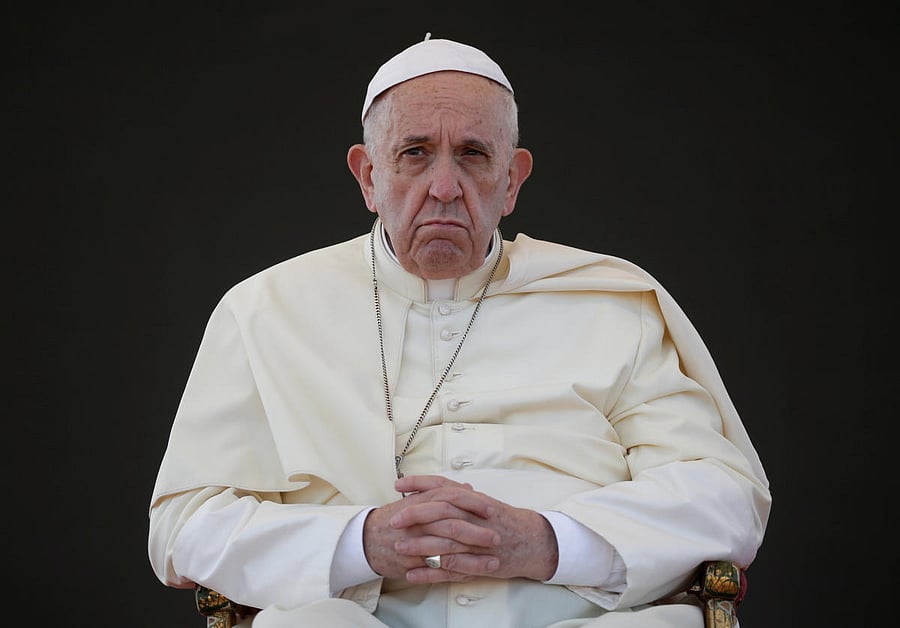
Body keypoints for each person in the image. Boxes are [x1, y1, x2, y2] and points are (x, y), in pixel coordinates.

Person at [148, 34, 771, 628]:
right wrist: (361, 543)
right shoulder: (264, 311)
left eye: (473, 156)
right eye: (414, 153)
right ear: (368, 176)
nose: (444, 188)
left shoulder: (611, 305)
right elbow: (185, 528)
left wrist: (545, 542)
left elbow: (721, 497)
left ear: (512, 181)